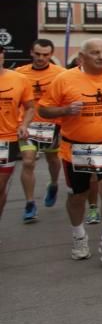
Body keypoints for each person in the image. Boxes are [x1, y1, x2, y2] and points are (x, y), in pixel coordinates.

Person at [38, 39, 102, 263]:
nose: (101, 57)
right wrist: (66, 110)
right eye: (95, 53)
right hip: (75, 147)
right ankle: (79, 236)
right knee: (77, 195)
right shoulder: (64, 79)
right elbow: (44, 108)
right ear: (82, 57)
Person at [16, 38, 65, 221]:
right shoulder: (19, 74)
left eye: (45, 55)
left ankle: (53, 184)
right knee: (28, 162)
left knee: (53, 159)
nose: (41, 58)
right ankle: (30, 203)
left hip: (52, 125)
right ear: (31, 53)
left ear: (51, 55)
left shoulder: (60, 74)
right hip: (27, 125)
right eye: (37, 54)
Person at [0, 48, 34, 228]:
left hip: (7, 140)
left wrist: (24, 125)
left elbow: (30, 106)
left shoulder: (19, 79)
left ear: (3, 55)